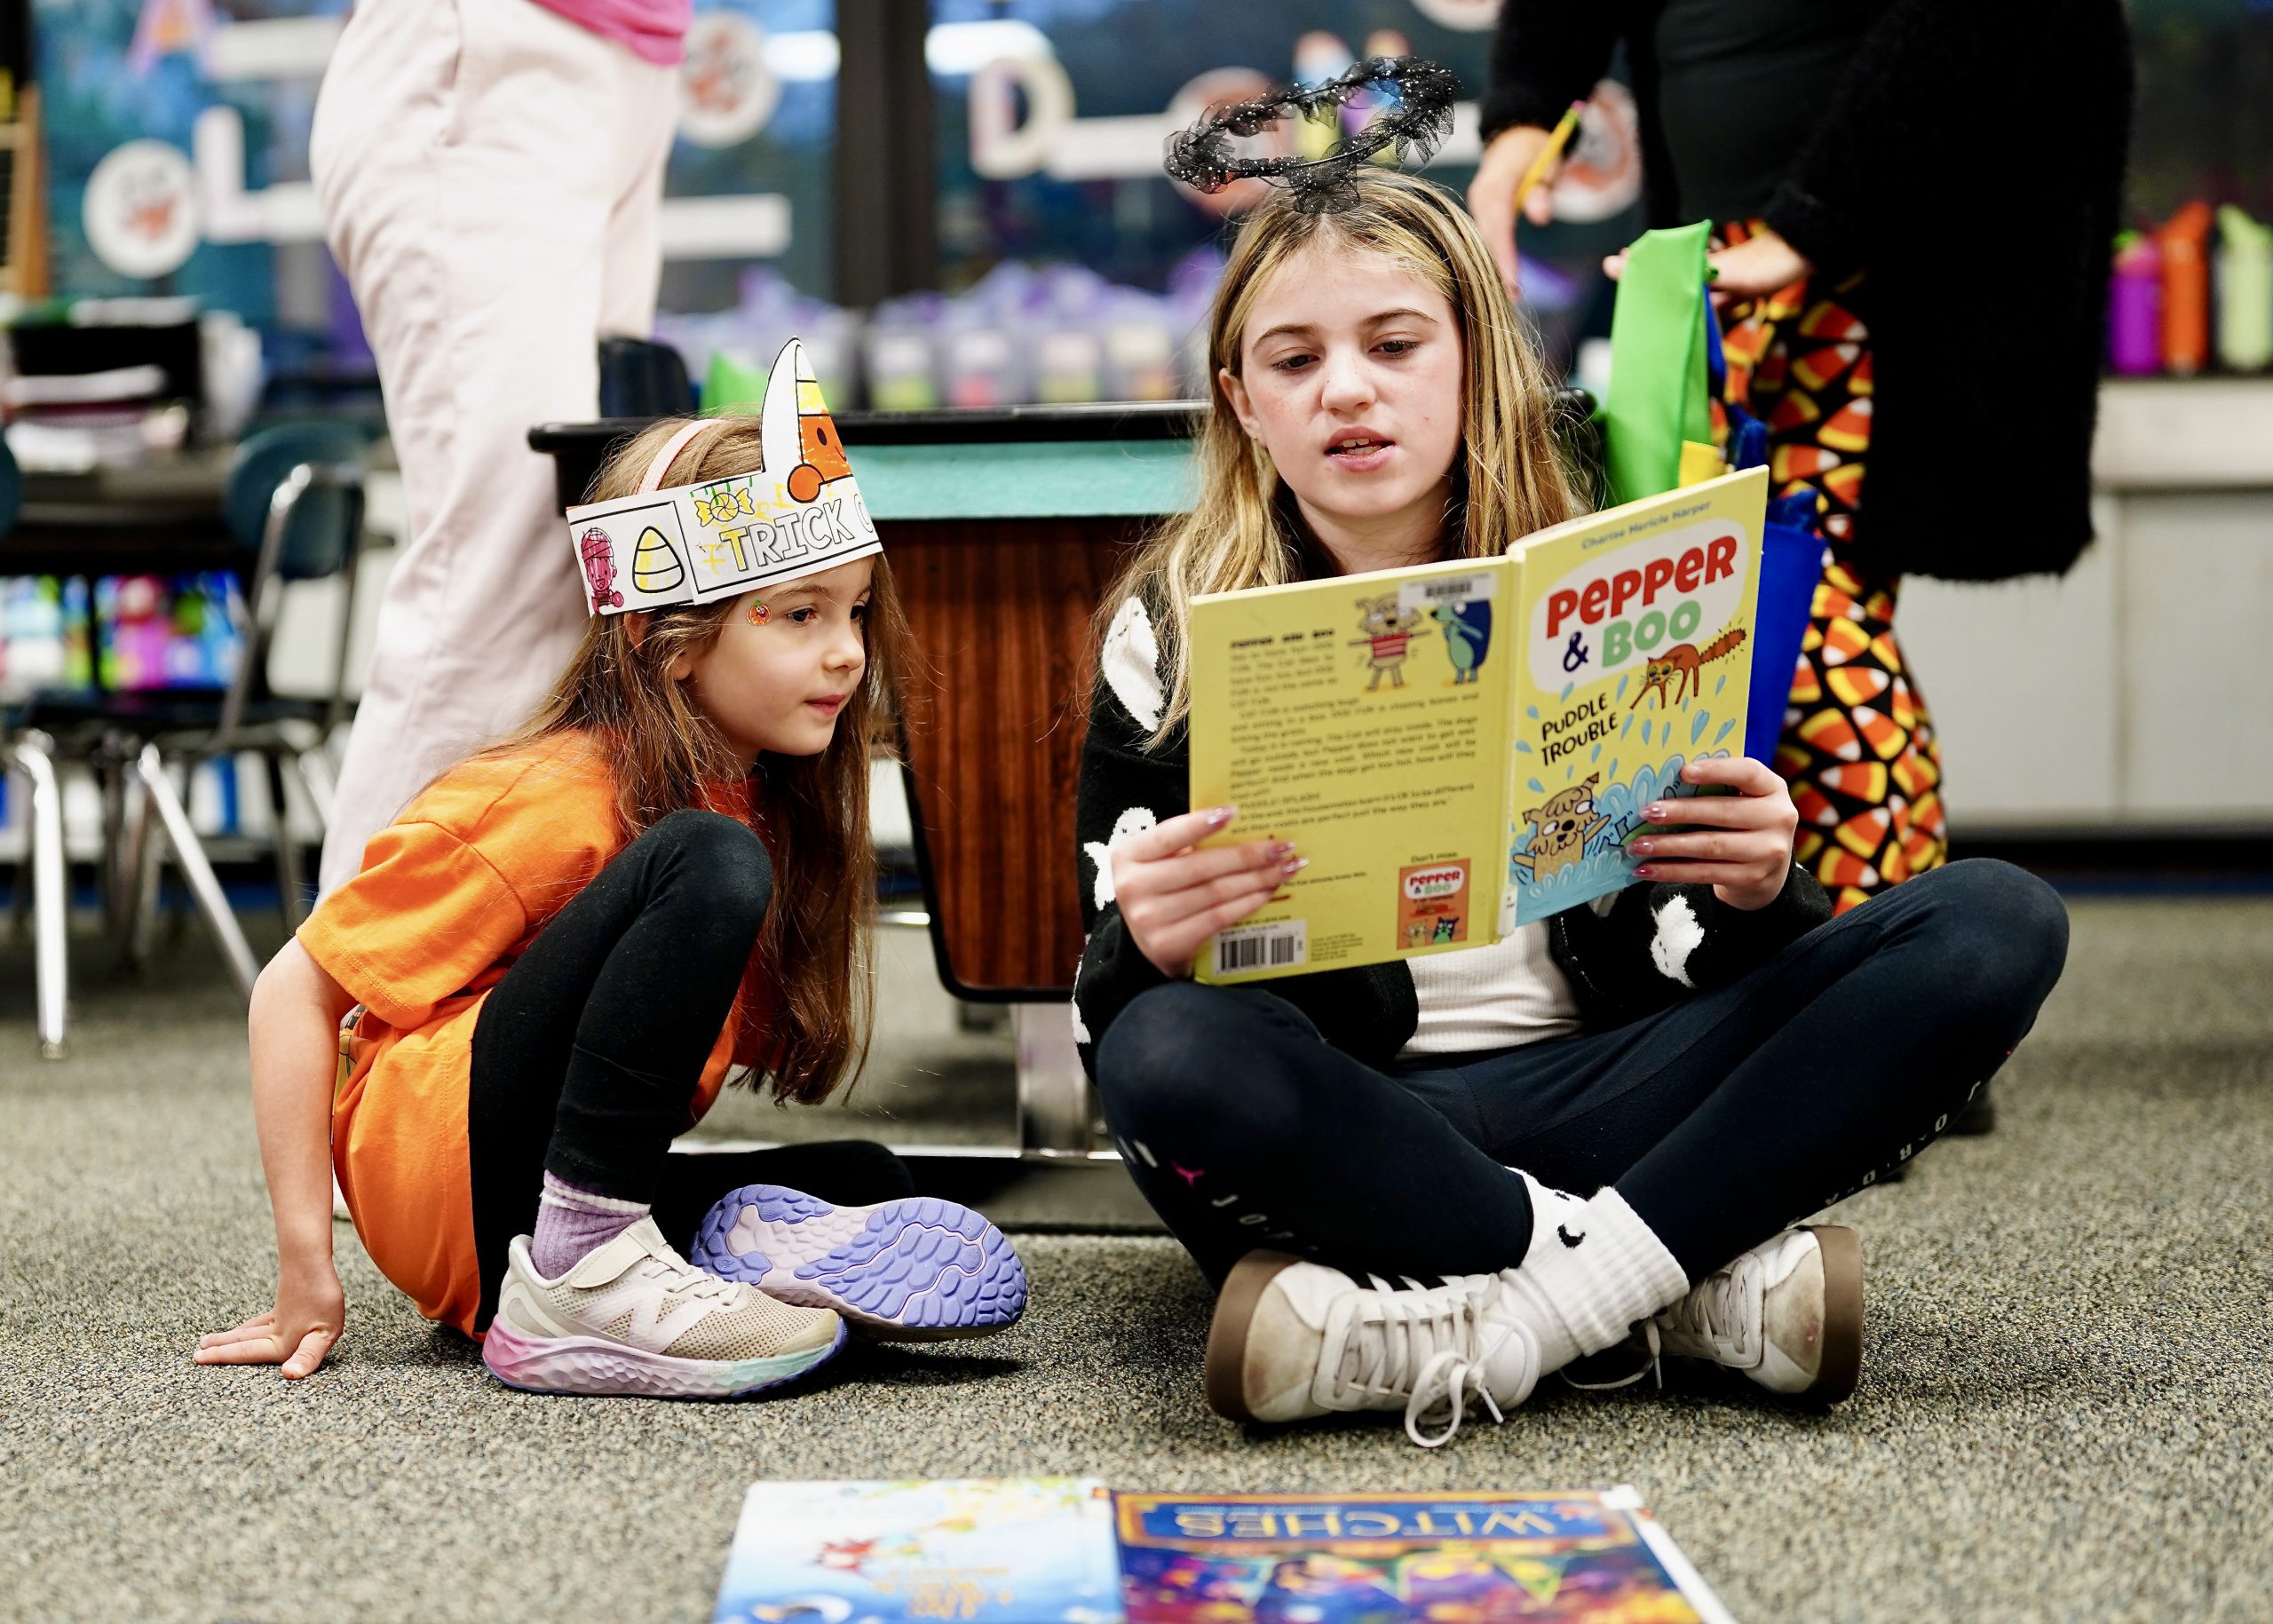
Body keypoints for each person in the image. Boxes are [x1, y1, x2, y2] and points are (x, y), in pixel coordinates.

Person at [1072, 162, 2068, 1448]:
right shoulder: (1171, 635)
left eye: (1393, 343)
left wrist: (1762, 886)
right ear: (1242, 403)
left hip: (1619, 1086)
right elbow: (1108, 1023)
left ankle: (1481, 1321)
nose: (1349, 390)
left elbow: (1698, 946)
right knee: (1170, 1058)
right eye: (1295, 360)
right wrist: (1135, 944)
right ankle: (1662, 1283)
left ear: (1476, 361)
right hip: (1364, 1117)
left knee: (1996, 922)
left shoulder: (1620, 577)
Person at [198, 354, 1029, 1398]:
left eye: (856, 613)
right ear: (667, 638)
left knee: (864, 1181)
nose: (849, 654)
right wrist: (304, 1264)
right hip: (455, 1175)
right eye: (799, 615)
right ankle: (591, 1268)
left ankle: (644, 1265)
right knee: (706, 857)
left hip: (518, 1220)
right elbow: (292, 990)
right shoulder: (554, 792)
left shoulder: (757, 803)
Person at [1466, 0, 2131, 918]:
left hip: (1860, 267)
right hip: (1728, 260)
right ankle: (1871, 993)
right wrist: (1524, 115)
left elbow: (1982, 28)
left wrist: (1816, 216)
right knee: (1748, 653)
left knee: (1795, 642)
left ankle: (1903, 1002)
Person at [309, 0, 691, 897]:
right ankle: (340, 1019)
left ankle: (491, 1012)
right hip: (493, 54)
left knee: (599, 580)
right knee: (496, 576)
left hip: (633, 63)